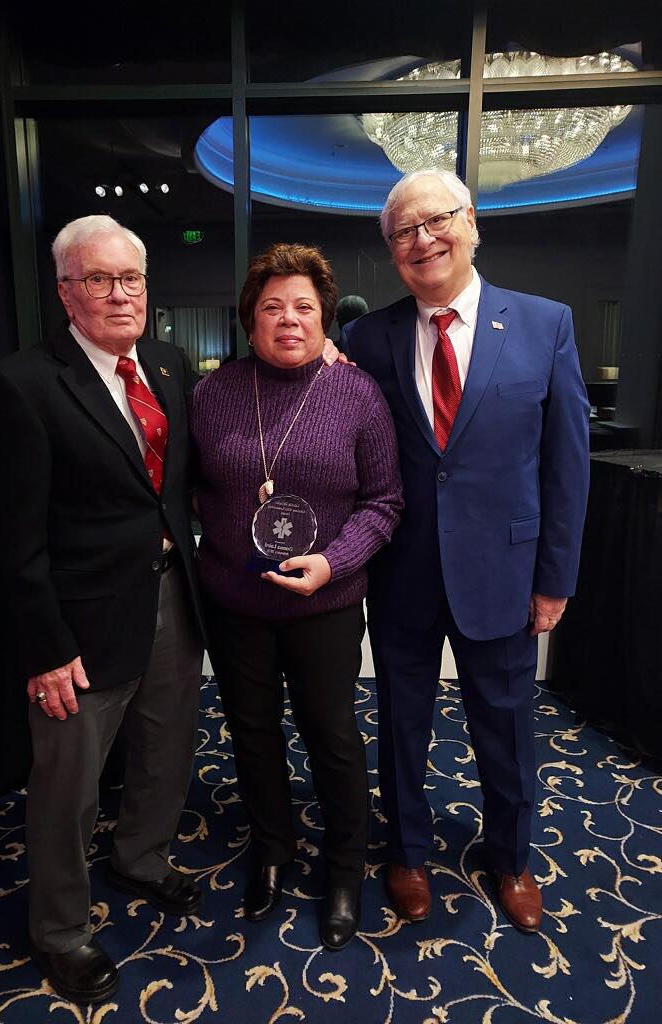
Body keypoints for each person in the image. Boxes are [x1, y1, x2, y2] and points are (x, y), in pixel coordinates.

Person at [341, 169, 590, 934]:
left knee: (509, 724)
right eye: (403, 233)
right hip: (403, 575)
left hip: (506, 574)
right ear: (391, 253)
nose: (423, 241)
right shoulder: (366, 338)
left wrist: (555, 580)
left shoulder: (546, 324)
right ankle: (408, 852)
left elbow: (566, 465)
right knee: (401, 721)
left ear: (471, 222)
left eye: (436, 222)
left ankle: (512, 858)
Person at [0, 215, 205, 1005]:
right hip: (79, 625)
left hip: (175, 597)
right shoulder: (24, 383)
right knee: (68, 786)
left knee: (166, 749)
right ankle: (62, 929)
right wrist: (44, 646)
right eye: (100, 280)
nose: (120, 295)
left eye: (132, 279)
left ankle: (142, 859)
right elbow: (12, 539)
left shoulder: (172, 367)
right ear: (66, 290)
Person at [190, 243, 402, 950]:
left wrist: (334, 561)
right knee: (250, 732)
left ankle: (344, 869)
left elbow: (384, 501)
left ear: (325, 318)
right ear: (250, 319)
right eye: (272, 307)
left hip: (326, 604)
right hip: (235, 602)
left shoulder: (357, 392)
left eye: (304, 307)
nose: (288, 320)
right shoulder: (213, 393)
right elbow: (188, 488)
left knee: (331, 735)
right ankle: (273, 850)